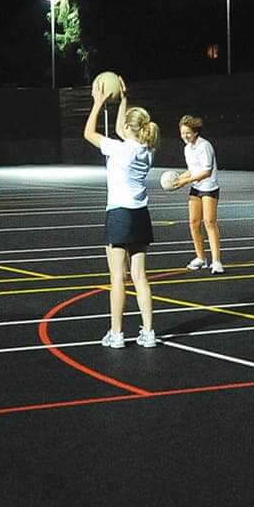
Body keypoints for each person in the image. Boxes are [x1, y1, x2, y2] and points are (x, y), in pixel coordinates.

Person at [83, 72, 160, 347]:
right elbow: (119, 129)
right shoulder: (146, 150)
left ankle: (116, 333)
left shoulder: (120, 150)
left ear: (129, 127)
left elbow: (88, 133)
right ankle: (148, 332)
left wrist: (98, 102)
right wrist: (124, 99)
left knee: (118, 276)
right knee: (140, 276)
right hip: (140, 215)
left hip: (119, 215)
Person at [174, 115, 224, 272]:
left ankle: (216, 262)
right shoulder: (187, 148)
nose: (185, 136)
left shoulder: (204, 146)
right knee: (194, 223)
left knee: (209, 223)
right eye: (182, 133)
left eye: (188, 132)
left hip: (209, 187)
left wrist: (185, 182)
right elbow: (193, 170)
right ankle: (201, 258)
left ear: (195, 132)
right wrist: (177, 179)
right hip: (196, 187)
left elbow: (206, 172)